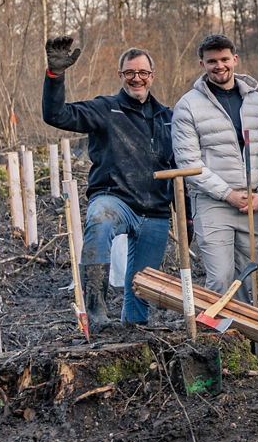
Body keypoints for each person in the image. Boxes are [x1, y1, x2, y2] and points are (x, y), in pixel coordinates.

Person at [41, 37, 174, 332]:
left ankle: (134, 333)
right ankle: (97, 311)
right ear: (121, 76)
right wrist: (55, 76)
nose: (136, 78)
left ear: (152, 76)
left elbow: (177, 167)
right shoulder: (105, 109)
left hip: (155, 211)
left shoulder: (168, 118)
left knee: (143, 284)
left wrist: (186, 214)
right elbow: (56, 115)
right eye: (129, 73)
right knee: (99, 220)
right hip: (115, 200)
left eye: (142, 73)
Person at [171, 34, 258, 303]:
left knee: (250, 279)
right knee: (220, 277)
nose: (219, 66)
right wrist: (227, 193)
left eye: (224, 59)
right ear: (202, 64)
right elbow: (189, 163)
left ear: (235, 60)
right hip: (213, 203)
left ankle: (249, 341)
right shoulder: (187, 106)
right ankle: (219, 339)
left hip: (254, 204)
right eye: (212, 61)